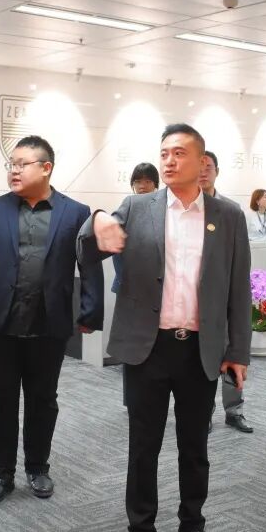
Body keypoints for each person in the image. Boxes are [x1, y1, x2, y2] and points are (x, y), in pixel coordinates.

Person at [78, 123, 251, 532]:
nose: (169, 161)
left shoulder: (228, 215)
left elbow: (238, 288)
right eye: (164, 153)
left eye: (179, 153)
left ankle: (193, 529)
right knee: (144, 447)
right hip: (148, 349)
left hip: (199, 350)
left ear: (202, 162)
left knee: (195, 448)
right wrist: (97, 218)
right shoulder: (138, 207)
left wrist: (238, 351)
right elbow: (87, 245)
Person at [0, 135, 103, 506]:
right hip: (0, 326)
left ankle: (38, 467)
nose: (14, 170)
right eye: (11, 164)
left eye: (22, 164)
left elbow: (88, 264)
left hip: (48, 325)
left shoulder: (75, 212)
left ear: (46, 167)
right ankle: (1, 472)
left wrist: (90, 311)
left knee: (43, 401)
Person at [200, 150, 253, 434]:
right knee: (204, 364)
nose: (203, 172)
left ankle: (234, 411)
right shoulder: (187, 209)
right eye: (199, 166)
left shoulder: (231, 211)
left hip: (225, 298)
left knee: (232, 353)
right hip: (199, 304)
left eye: (208, 167)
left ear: (217, 172)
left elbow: (240, 261)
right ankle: (204, 412)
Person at [115, 163, 159, 411]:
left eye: (147, 181)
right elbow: (116, 250)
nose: (142, 186)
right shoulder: (129, 207)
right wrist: (125, 281)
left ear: (156, 185)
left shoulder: (164, 211)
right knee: (132, 349)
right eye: (138, 182)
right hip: (132, 288)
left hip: (157, 291)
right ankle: (131, 400)